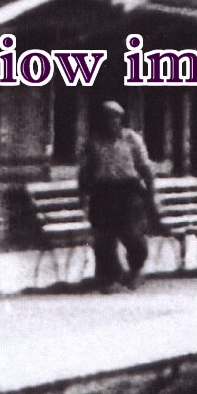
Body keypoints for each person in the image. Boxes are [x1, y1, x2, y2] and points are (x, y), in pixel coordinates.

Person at [78, 100, 156, 292]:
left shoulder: (132, 139)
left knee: (133, 235)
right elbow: (85, 171)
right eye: (107, 118)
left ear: (121, 119)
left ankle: (136, 269)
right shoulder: (93, 142)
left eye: (115, 117)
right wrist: (83, 196)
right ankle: (108, 279)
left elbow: (146, 168)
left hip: (128, 192)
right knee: (104, 238)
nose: (111, 122)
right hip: (102, 192)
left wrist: (151, 194)